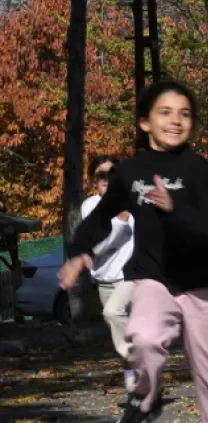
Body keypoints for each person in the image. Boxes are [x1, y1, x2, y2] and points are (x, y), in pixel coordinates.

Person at [60, 80, 208, 423]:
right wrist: (81, 251)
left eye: (184, 114)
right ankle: (145, 403)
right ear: (145, 122)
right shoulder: (130, 171)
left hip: (201, 283)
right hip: (154, 278)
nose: (176, 120)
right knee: (144, 336)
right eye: (165, 112)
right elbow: (100, 218)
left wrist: (174, 209)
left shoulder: (199, 170)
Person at [81, 155, 136, 390]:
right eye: (100, 176)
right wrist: (122, 222)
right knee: (128, 334)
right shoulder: (91, 206)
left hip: (133, 276)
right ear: (94, 181)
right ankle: (137, 385)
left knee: (113, 313)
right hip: (105, 281)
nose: (107, 179)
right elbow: (99, 247)